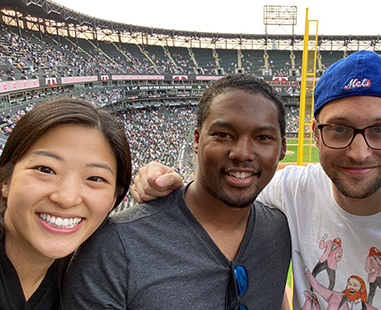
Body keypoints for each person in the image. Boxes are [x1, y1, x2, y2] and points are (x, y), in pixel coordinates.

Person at [130, 51, 381, 310]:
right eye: (340, 129)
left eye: (380, 129)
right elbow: (222, 187)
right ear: (315, 132)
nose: (359, 153)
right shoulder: (290, 189)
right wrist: (161, 178)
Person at [61, 73, 292, 309]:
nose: (242, 153)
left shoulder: (279, 230)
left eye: (263, 137)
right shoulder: (115, 246)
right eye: (223, 135)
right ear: (196, 139)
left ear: (281, 148)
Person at [0, 97, 132, 309]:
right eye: (45, 170)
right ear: (5, 180)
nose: (67, 198)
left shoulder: (89, 281)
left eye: (95, 178)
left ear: (113, 200)